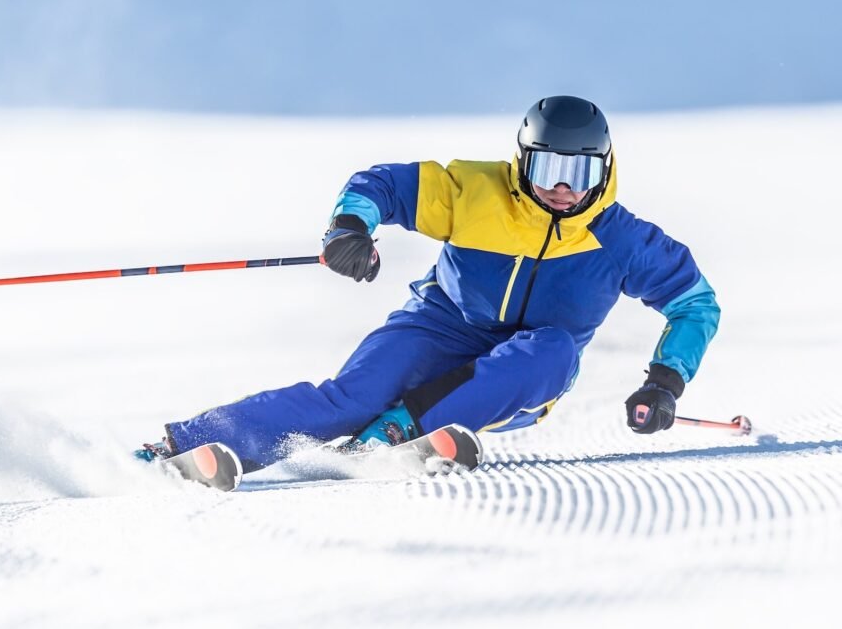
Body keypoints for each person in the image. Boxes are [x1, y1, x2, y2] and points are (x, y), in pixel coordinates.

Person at [136, 95, 720, 472]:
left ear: (605, 168)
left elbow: (695, 304)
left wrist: (665, 381)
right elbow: (378, 185)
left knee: (553, 348)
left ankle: (399, 433)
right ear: (522, 160)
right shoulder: (475, 190)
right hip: (438, 327)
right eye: (548, 168)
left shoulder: (623, 239)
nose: (562, 189)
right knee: (353, 399)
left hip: (522, 372)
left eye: (580, 172)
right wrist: (350, 228)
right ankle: (183, 445)